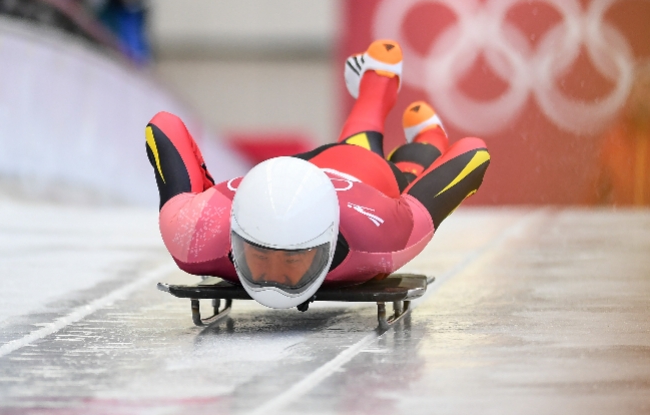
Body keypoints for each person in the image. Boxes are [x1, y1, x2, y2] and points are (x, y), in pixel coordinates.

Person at [144, 40, 490, 310]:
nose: (272, 281)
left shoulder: (376, 234)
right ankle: (382, 90)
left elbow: (472, 156)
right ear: (234, 238)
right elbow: (474, 154)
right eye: (258, 259)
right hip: (306, 170)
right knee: (369, 151)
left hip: (366, 184)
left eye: (292, 264)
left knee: (405, 173)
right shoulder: (201, 228)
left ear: (327, 246)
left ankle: (425, 135)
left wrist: (202, 190)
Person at [590, 71, 650, 206]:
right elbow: (594, 191)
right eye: (637, 89)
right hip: (625, 225)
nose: (642, 95)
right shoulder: (613, 141)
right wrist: (577, 223)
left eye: (648, 87)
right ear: (629, 95)